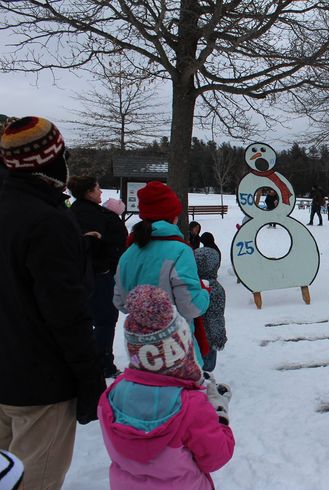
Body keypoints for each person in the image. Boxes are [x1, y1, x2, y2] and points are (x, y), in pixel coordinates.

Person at [0, 116, 106, 489]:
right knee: (33, 482)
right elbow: (66, 314)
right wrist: (89, 377)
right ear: (49, 160)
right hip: (40, 385)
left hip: (7, 370)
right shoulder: (47, 221)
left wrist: (78, 248)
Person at [98, 285, 235, 489]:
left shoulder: (112, 395)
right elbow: (216, 458)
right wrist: (219, 413)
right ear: (181, 350)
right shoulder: (192, 407)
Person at [113, 181, 210, 365]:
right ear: (173, 216)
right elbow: (191, 306)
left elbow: (121, 302)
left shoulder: (129, 253)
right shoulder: (180, 251)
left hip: (142, 355)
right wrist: (205, 293)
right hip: (177, 352)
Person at [68, 175, 129, 378]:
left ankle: (92, 359)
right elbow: (95, 245)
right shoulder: (92, 215)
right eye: (97, 189)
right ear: (88, 192)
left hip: (82, 275)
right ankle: (103, 363)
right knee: (105, 319)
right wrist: (109, 262)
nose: (101, 192)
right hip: (98, 275)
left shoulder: (74, 211)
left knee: (90, 319)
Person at [195, 246, 227, 372]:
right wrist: (219, 338)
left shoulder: (189, 284)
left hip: (190, 338)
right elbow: (215, 317)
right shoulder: (214, 289)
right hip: (207, 340)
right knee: (206, 370)